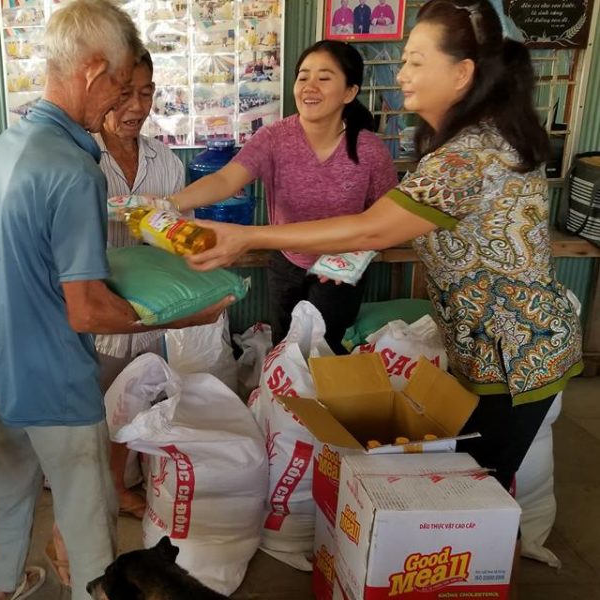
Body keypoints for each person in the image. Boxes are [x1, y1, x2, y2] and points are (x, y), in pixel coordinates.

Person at [187, 0, 582, 545]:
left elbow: (372, 228)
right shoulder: (468, 143)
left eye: (417, 61)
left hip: (516, 353)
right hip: (490, 347)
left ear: (462, 72)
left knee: (472, 504)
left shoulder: (469, 155)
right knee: (468, 491)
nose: (401, 74)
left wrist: (247, 236)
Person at [0, 1, 232, 598]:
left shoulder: (12, 141)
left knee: (10, 487)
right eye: (117, 83)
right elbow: (85, 310)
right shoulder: (73, 169)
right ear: (90, 70)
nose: (121, 101)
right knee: (89, 522)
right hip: (53, 376)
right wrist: (194, 312)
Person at [46, 49, 187, 587]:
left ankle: (116, 484)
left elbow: (177, 230)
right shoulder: (78, 158)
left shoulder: (164, 161)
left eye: (146, 93)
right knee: (88, 412)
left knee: (139, 397)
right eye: (125, 92)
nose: (135, 106)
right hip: (97, 310)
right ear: (100, 91)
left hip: (150, 310)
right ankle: (75, 517)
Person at [169, 41, 397, 352]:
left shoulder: (370, 150)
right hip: (286, 262)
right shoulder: (273, 138)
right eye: (303, 77)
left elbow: (388, 219)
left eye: (324, 77)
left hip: (340, 269)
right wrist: (169, 203)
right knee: (283, 349)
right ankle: (282, 401)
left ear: (349, 92)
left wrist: (354, 258)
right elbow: (225, 179)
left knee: (322, 352)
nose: (309, 87)